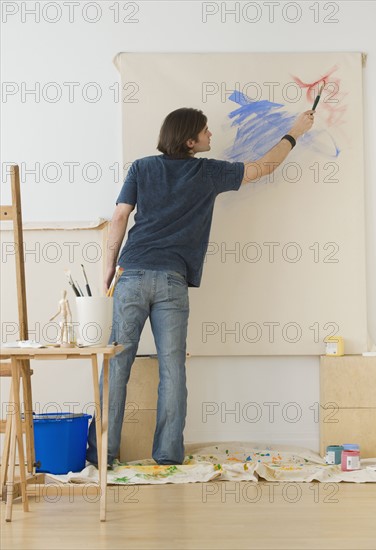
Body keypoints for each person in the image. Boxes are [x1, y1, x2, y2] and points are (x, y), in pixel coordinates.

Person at [86, 107, 314, 467]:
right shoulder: (207, 173)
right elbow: (263, 167)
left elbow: (119, 216)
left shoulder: (142, 167)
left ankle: (102, 456)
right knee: (172, 368)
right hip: (172, 280)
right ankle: (167, 455)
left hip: (131, 275)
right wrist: (294, 133)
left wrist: (108, 268)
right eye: (205, 132)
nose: (211, 136)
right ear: (190, 140)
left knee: (117, 366)